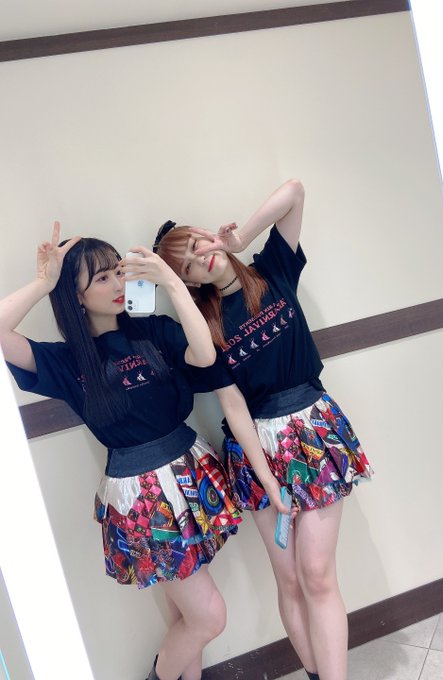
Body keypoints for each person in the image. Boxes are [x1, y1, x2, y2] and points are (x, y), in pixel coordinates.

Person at [0, 222, 287, 680]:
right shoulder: (67, 361)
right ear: (76, 297)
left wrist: (170, 280)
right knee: (209, 617)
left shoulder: (152, 331)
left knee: (187, 616)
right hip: (142, 498)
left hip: (190, 472)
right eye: (101, 278)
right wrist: (44, 282)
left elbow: (204, 354)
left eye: (118, 271)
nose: (117, 284)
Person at [154, 179, 373, 680]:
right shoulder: (206, 327)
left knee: (317, 574)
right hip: (255, 448)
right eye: (187, 266)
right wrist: (269, 481)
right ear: (188, 283)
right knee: (290, 579)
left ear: (210, 235)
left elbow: (294, 191)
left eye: (197, 245)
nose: (201, 259)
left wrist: (241, 237)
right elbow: (232, 405)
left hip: (312, 429)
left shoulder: (272, 269)